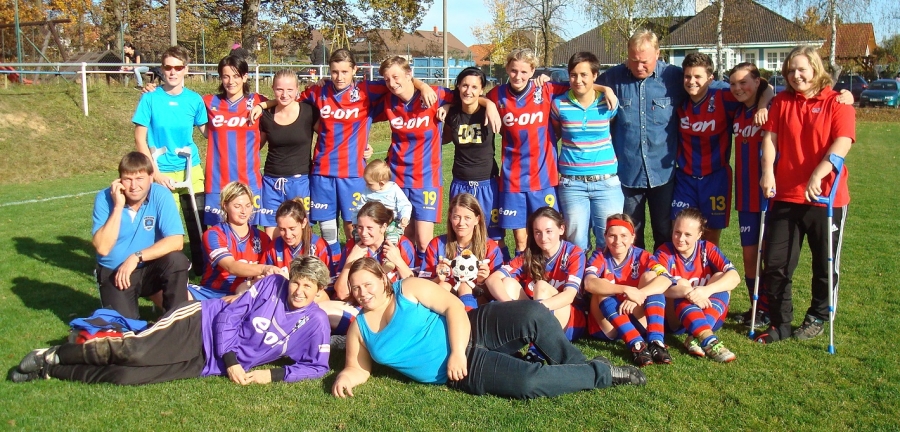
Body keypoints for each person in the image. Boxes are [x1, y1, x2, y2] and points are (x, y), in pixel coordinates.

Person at [330, 257, 646, 400]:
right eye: (355, 288)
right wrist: (345, 376)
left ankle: (577, 363)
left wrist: (457, 351)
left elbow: (454, 307)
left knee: (533, 312)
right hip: (459, 372)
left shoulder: (408, 288)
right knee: (527, 381)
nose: (362, 293)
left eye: (367, 284)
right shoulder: (360, 328)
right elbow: (357, 368)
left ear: (383, 279)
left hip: (473, 327)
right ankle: (601, 373)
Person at [10, 257, 331, 386]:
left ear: (319, 291)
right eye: (296, 282)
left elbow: (317, 367)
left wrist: (270, 376)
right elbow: (228, 317)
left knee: (126, 376)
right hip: (199, 325)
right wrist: (232, 359)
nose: (299, 291)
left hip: (210, 363)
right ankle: (53, 354)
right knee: (134, 351)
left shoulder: (316, 322)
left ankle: (50, 371)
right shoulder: (271, 284)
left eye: (308, 286)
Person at [252, 49, 437, 267]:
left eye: (344, 72)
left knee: (354, 229)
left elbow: (399, 82)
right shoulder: (318, 91)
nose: (339, 77)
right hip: (322, 173)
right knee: (328, 230)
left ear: (354, 70)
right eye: (334, 72)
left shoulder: (367, 90)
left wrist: (423, 86)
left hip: (353, 174)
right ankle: (332, 270)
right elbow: (287, 98)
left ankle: (355, 270)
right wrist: (263, 105)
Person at [755, 46, 855, 344]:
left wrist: (818, 174)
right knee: (776, 263)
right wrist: (768, 171)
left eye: (801, 69)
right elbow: (769, 139)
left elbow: (842, 143)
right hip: (785, 195)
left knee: (824, 264)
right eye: (790, 70)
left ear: (815, 68)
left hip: (826, 199)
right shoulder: (782, 102)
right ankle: (780, 322)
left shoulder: (838, 102)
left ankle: (818, 316)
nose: (795, 75)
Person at [371, 56, 495, 266]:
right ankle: (405, 277)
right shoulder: (387, 99)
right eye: (387, 78)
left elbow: (467, 95)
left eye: (396, 77)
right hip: (397, 177)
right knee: (404, 237)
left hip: (426, 179)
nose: (392, 83)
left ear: (409, 74)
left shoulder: (434, 95)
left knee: (423, 241)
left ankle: (425, 277)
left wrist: (488, 103)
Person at [596, 30, 685, 251]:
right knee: (630, 234)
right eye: (633, 61)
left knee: (664, 231)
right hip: (627, 172)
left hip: (662, 173)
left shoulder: (674, 77)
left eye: (644, 61)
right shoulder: (614, 78)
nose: (639, 67)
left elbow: (708, 88)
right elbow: (582, 84)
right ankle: (636, 272)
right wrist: (603, 88)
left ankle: (662, 272)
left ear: (658, 54)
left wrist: (763, 93)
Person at [673, 53, 772, 246]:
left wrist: (762, 106)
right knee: (679, 231)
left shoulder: (724, 96)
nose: (692, 81)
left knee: (710, 236)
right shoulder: (678, 97)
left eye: (698, 77)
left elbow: (765, 87)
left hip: (716, 178)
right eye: (687, 76)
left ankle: (709, 267)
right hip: (685, 178)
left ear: (710, 78)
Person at [132, 45, 208, 275]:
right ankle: (169, 273)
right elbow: (140, 138)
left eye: (178, 67)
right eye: (168, 67)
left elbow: (209, 132)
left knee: (198, 223)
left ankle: (204, 273)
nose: (173, 72)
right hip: (161, 171)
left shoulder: (194, 100)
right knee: (167, 229)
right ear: (162, 69)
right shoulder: (150, 98)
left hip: (190, 169)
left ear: (186, 69)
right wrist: (155, 173)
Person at [91, 152, 190, 320]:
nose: (133, 186)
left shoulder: (161, 194)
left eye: (139, 179)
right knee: (126, 329)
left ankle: (177, 322)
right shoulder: (104, 198)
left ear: (151, 178)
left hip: (149, 267)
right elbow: (103, 248)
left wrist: (136, 257)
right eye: (127, 179)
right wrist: (118, 207)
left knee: (177, 260)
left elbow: (176, 241)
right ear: (119, 180)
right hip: (116, 272)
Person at [550, 51, 622, 251]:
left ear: (595, 75)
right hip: (572, 184)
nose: (578, 80)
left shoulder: (608, 102)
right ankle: (578, 273)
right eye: (573, 75)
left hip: (606, 183)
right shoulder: (559, 104)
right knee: (576, 245)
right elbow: (555, 134)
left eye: (584, 75)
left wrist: (606, 90)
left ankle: (602, 273)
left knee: (609, 243)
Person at [484, 207, 587, 341]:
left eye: (549, 231)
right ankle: (518, 333)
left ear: (561, 229)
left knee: (541, 286)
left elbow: (569, 296)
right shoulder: (529, 254)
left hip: (570, 320)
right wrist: (509, 305)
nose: (543, 238)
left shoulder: (574, 253)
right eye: (537, 232)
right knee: (507, 283)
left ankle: (535, 348)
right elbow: (492, 280)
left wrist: (534, 310)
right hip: (536, 314)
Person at [583, 214, 672, 367]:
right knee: (602, 284)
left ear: (632, 237)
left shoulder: (642, 255)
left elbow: (667, 279)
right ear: (605, 236)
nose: (618, 241)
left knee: (652, 277)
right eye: (612, 235)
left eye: (623, 236)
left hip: (634, 314)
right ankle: (636, 344)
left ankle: (656, 341)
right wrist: (625, 289)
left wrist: (640, 294)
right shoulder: (600, 255)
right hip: (608, 324)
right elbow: (589, 283)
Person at [654, 208, 740, 362]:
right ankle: (708, 340)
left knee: (721, 277)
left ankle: (694, 336)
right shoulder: (664, 252)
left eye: (688, 234)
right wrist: (690, 293)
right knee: (680, 284)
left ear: (699, 234)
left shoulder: (707, 248)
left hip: (708, 315)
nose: (681, 239)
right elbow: (660, 286)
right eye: (677, 232)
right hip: (677, 321)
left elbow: (735, 277)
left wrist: (706, 290)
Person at [441, 67, 506, 253]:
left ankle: (500, 268)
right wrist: (445, 107)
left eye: (474, 87)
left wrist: (490, 104)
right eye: (464, 85)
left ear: (481, 90)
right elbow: (442, 138)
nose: (468, 91)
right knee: (460, 235)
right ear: (458, 86)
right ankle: (460, 268)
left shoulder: (489, 111)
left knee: (494, 238)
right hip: (460, 184)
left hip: (487, 184)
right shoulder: (452, 114)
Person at [202, 55, 266, 231]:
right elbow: (181, 99)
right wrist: (154, 89)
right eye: (226, 76)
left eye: (236, 76)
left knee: (249, 234)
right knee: (218, 233)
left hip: (248, 181)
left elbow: (287, 99)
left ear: (245, 77)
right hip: (217, 182)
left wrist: (263, 106)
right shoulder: (209, 102)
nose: (231, 81)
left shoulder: (258, 101)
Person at [189, 182, 277, 301]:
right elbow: (231, 266)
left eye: (248, 205)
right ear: (225, 206)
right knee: (179, 291)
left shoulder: (263, 238)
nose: (244, 211)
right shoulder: (214, 234)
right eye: (237, 206)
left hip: (246, 293)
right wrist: (264, 269)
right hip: (212, 293)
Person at [257, 70, 318, 239]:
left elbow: (331, 137)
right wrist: (261, 106)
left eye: (290, 90)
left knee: (301, 233)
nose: (284, 94)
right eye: (279, 89)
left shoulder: (309, 112)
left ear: (297, 89)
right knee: (272, 235)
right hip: (271, 183)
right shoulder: (266, 115)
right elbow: (254, 147)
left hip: (299, 182)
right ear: (273, 88)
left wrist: (363, 147)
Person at [420, 193, 505, 306]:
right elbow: (422, 288)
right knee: (443, 286)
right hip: (446, 300)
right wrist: (438, 279)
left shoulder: (490, 248)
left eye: (467, 218)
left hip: (479, 303)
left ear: (477, 219)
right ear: (450, 217)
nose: (461, 223)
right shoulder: (436, 244)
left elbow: (497, 296)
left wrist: (482, 282)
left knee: (465, 286)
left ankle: (468, 315)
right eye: (456, 217)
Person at [333, 201, 416, 300]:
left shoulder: (402, 245)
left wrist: (398, 261)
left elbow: (416, 288)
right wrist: (349, 261)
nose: (363, 233)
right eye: (360, 227)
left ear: (383, 227)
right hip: (362, 303)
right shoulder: (353, 247)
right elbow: (342, 294)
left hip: (395, 302)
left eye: (369, 228)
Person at [353, 159, 412, 241]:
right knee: (359, 236)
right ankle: (363, 248)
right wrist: (355, 221)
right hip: (371, 221)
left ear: (381, 183)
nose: (366, 185)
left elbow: (405, 205)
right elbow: (359, 207)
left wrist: (405, 216)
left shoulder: (393, 189)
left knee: (392, 238)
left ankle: (390, 247)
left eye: (369, 184)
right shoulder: (367, 191)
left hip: (391, 222)